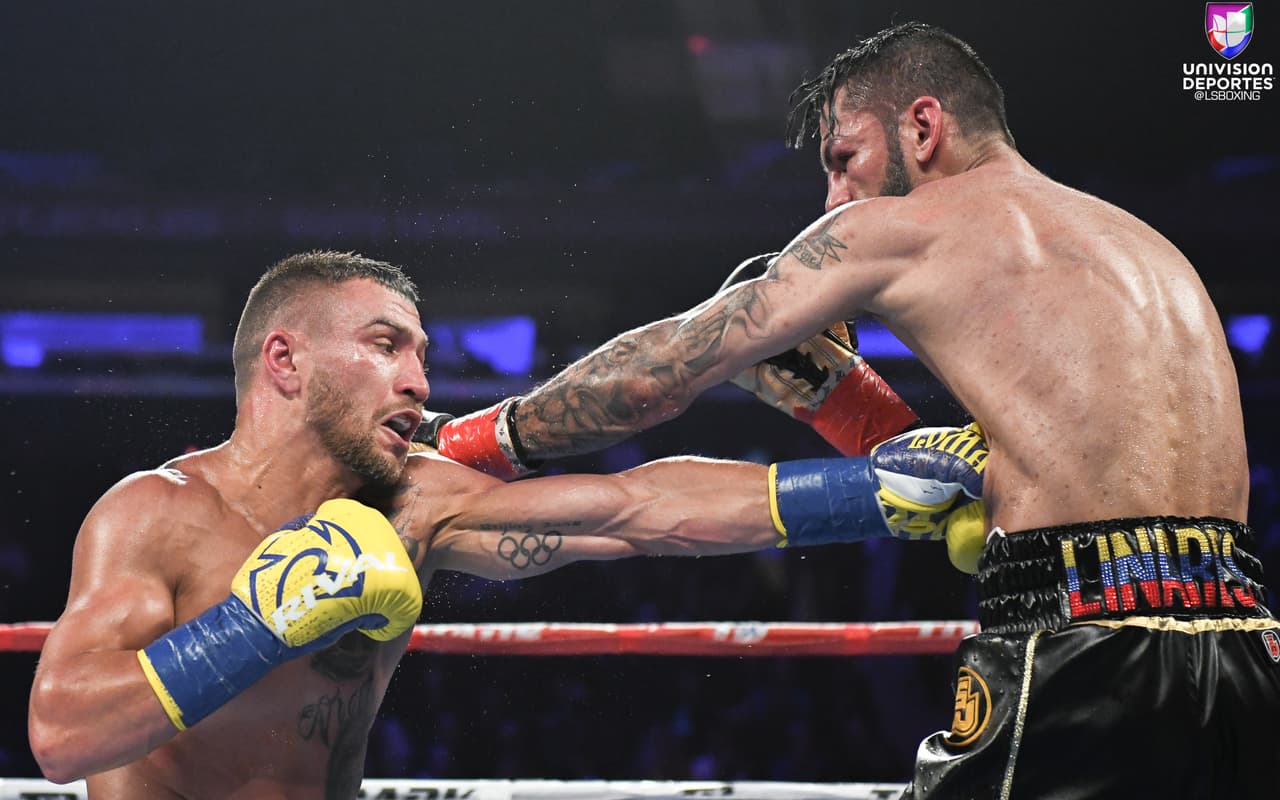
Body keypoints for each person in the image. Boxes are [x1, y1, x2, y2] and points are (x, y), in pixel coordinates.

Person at [415, 22, 1280, 798]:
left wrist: (463, 442)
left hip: (1081, 645)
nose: (834, 199)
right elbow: (1043, 460)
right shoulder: (1144, 246)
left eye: (843, 157)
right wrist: (854, 412)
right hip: (1248, 642)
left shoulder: (897, 230)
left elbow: (654, 380)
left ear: (923, 127)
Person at [26, 250, 983, 798]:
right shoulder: (156, 514)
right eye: (385, 346)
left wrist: (866, 494)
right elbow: (63, 736)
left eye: (422, 355)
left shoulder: (413, 503)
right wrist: (255, 623)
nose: (420, 382)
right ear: (286, 361)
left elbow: (637, 510)